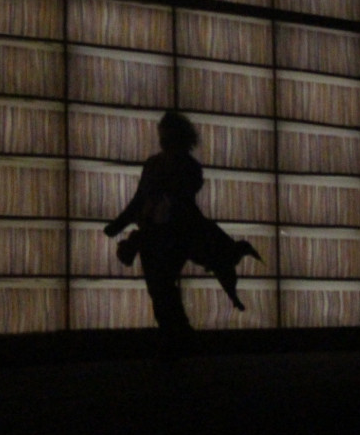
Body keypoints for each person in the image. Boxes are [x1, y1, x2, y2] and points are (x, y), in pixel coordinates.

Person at [104, 111, 262, 348]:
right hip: (153, 233)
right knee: (158, 288)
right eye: (163, 136)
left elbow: (177, 201)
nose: (164, 140)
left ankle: (177, 336)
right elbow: (139, 200)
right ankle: (178, 335)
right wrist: (118, 224)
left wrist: (124, 223)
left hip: (174, 235)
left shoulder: (187, 167)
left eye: (168, 136)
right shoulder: (158, 165)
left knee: (162, 286)